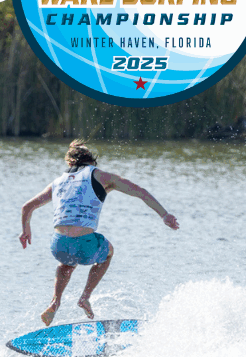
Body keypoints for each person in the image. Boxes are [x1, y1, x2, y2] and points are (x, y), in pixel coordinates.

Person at [20, 140, 179, 326]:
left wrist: (26, 231)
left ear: (70, 163)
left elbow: (27, 207)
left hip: (58, 245)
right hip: (85, 244)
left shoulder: (57, 182)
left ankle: (55, 302)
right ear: (92, 161)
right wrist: (164, 214)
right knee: (108, 252)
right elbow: (139, 191)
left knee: (66, 264)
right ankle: (85, 297)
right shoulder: (101, 176)